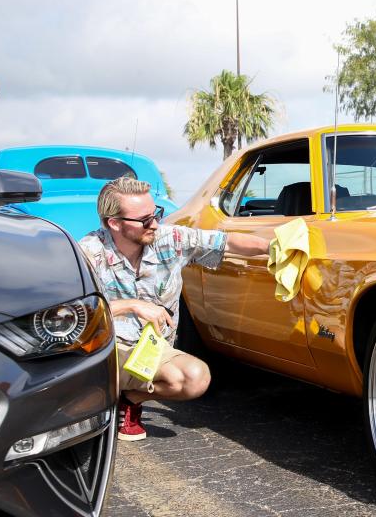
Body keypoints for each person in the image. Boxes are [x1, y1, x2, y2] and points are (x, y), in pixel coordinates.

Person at [78, 177, 269, 441]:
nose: (155, 224)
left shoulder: (171, 238)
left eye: (156, 214)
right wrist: (130, 305)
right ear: (114, 223)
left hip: (152, 349)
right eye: (144, 220)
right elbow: (71, 312)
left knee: (195, 377)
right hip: (104, 353)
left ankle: (130, 399)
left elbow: (228, 242)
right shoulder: (88, 253)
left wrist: (276, 248)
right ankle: (97, 400)